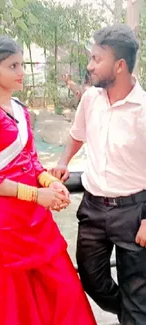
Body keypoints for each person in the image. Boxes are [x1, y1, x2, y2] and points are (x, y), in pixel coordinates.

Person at [0, 35, 97, 325]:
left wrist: (50, 182)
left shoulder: (22, 111)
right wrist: (38, 195)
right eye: (13, 66)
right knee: (17, 299)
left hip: (36, 219)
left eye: (21, 65)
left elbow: (31, 161)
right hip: (3, 223)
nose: (21, 72)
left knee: (63, 288)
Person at [51, 24, 146, 325]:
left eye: (96, 59)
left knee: (137, 289)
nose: (89, 66)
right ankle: (134, 311)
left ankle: (136, 313)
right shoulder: (91, 99)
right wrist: (64, 160)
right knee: (91, 279)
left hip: (134, 212)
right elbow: (78, 133)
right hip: (92, 207)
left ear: (119, 65)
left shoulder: (144, 110)